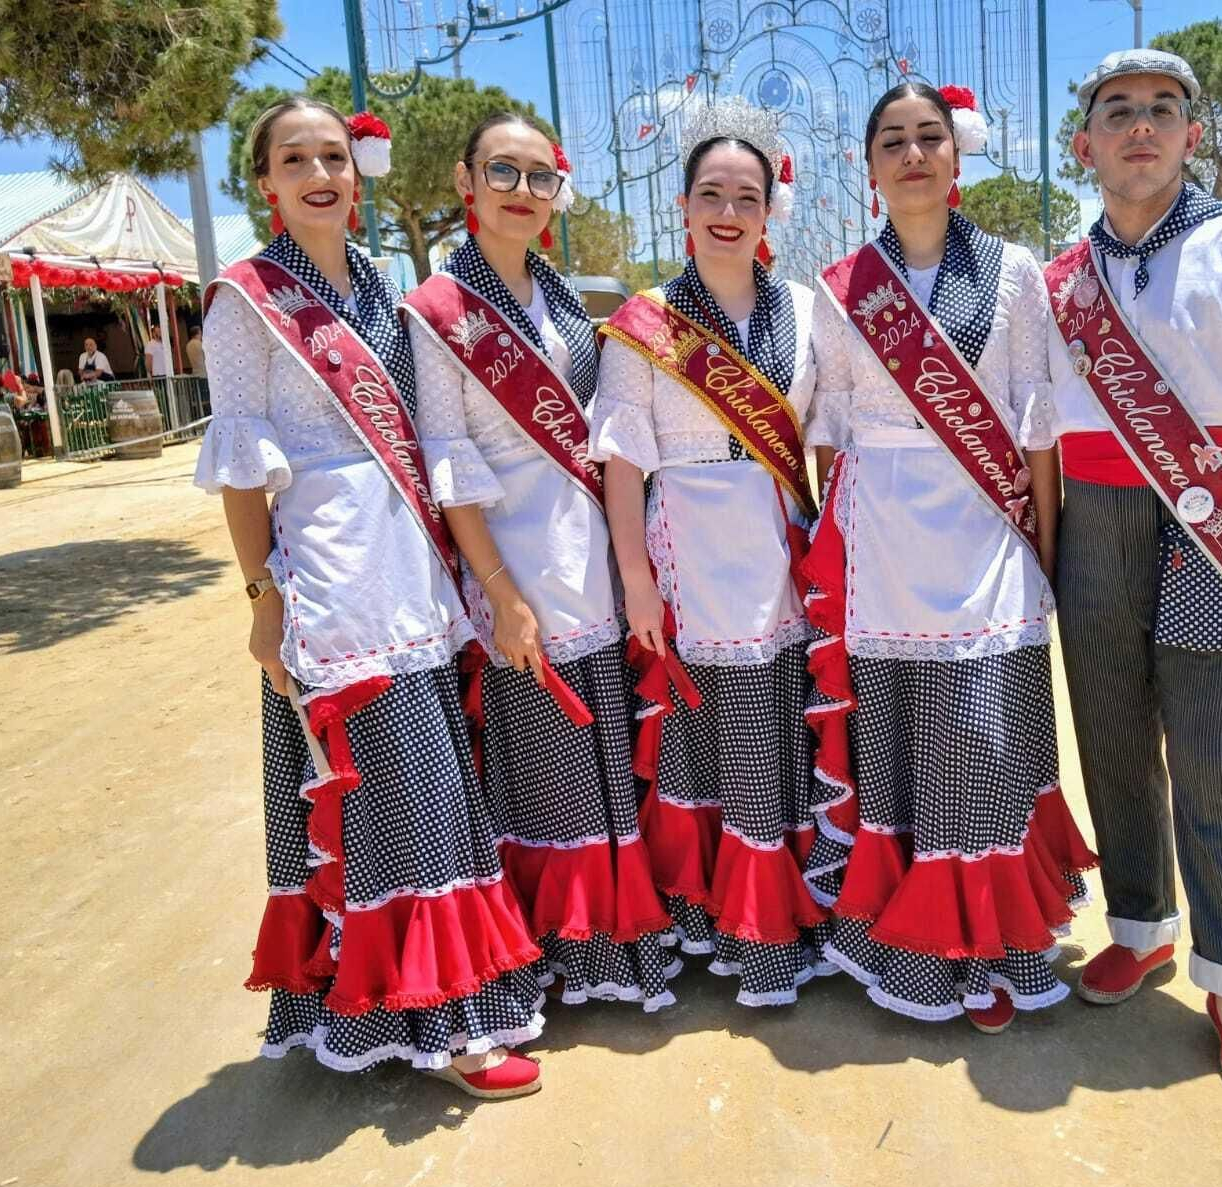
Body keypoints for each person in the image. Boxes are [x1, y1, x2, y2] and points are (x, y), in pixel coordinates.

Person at [193, 95, 545, 1098]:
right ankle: (453, 1031)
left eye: (334, 155)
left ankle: (429, 1004)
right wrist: (261, 596)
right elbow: (239, 463)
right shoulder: (245, 299)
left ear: (359, 173)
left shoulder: (385, 288)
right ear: (264, 183)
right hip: (330, 577)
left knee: (435, 788)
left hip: (408, 566)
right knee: (403, 790)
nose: (318, 171)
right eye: (294, 157)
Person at [1044, 49, 1222, 1106]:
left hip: (1210, 519)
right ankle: (1139, 931)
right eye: (1116, 112)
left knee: (1211, 752)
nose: (1140, 127)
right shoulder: (1056, 276)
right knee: (1113, 739)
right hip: (1092, 519)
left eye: (1162, 111)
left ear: (1190, 135)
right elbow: (1037, 416)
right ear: (1084, 145)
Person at [801, 81, 1097, 1032]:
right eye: (894, 140)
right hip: (886, 543)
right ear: (872, 165)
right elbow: (833, 433)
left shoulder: (1014, 273)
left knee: (985, 740)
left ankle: (1000, 939)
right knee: (909, 748)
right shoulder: (840, 286)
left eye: (930, 136)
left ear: (957, 155)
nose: (914, 154)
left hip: (990, 534)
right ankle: (928, 945)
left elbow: (1035, 423)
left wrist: (1041, 545)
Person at [405, 112, 679, 1011]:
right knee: (539, 756)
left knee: (596, 746)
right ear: (465, 182)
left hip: (587, 551)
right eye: (503, 172)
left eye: (539, 176)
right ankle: (566, 948)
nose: (522, 192)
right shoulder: (437, 309)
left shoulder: (563, 298)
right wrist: (498, 591)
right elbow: (446, 460)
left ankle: (618, 943)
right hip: (513, 563)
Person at [590, 96, 833, 1006]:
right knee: (706, 736)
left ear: (769, 211)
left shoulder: (807, 313)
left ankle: (787, 917)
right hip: (686, 542)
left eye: (746, 196)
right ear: (683, 209)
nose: (728, 212)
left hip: (777, 536)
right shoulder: (646, 321)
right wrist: (636, 583)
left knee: (779, 727)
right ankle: (720, 922)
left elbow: (823, 439)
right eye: (710, 195)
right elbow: (620, 461)